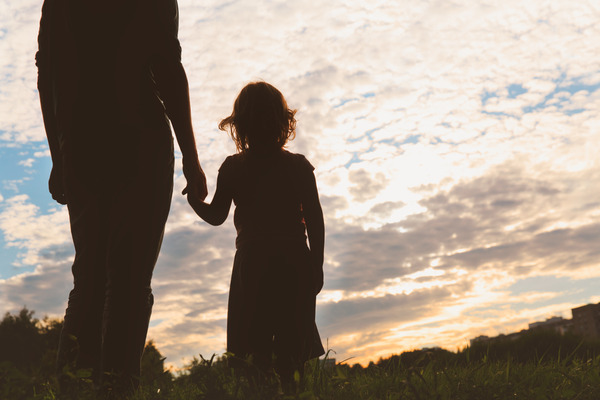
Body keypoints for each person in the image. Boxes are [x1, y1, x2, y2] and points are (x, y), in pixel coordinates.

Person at [36, 0, 207, 394]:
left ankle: (74, 388)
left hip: (81, 146)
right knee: (128, 280)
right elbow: (166, 70)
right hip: (140, 142)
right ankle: (117, 388)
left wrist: (59, 154)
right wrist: (191, 158)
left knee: (91, 277)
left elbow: (49, 78)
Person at [187, 81, 325, 391]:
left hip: (252, 264)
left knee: (252, 349)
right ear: (283, 121)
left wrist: (194, 200)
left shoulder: (234, 168)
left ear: (239, 125)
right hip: (294, 260)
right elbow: (315, 220)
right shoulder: (298, 166)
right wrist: (316, 265)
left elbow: (217, 215)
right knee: (292, 351)